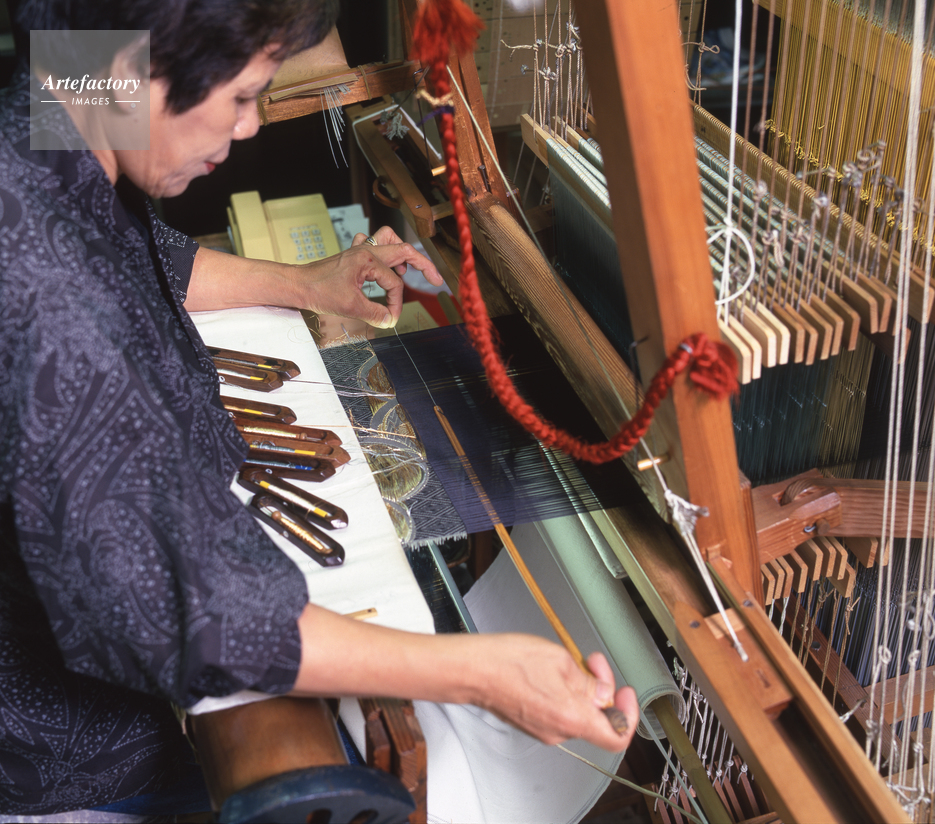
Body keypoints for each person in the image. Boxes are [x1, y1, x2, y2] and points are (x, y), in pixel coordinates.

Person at [0, 0, 639, 817]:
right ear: (137, 69)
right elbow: (199, 621)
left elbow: (143, 256)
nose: (252, 125)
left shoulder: (62, 99)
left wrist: (306, 283)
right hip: (78, 752)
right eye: (242, 96)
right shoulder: (42, 290)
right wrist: (481, 674)